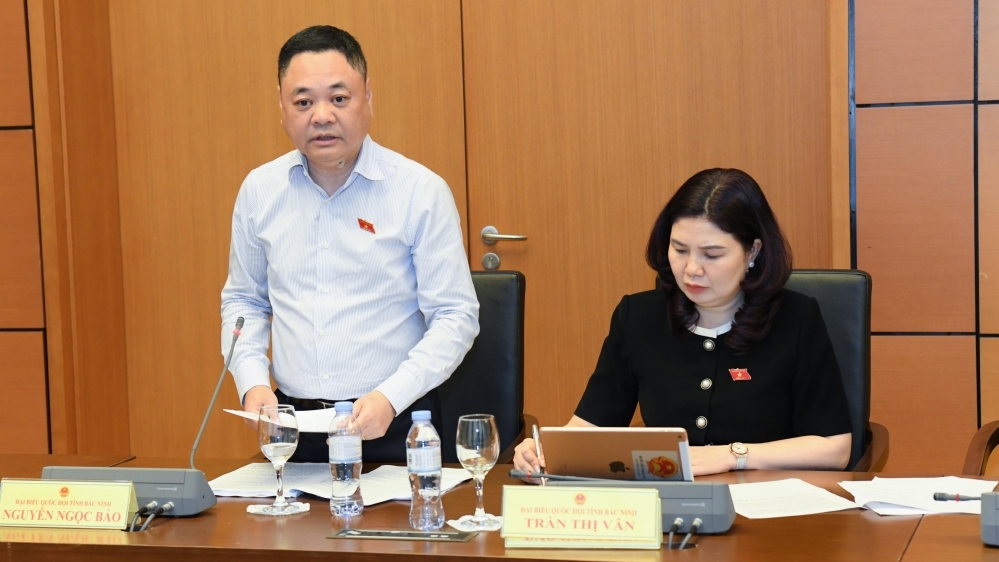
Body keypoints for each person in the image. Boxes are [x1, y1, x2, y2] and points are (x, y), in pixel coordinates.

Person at [221, 25, 479, 462]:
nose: (321, 116)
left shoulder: (419, 191)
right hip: (292, 428)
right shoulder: (259, 191)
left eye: (339, 98)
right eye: (303, 102)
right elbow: (244, 301)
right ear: (282, 108)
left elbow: (456, 316)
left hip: (395, 422)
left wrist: (391, 397)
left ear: (368, 97)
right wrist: (253, 384)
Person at [514, 168, 852, 477]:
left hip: (770, 505)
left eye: (712, 255)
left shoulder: (796, 319)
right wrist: (543, 450)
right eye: (679, 250)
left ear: (752, 252)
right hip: (668, 503)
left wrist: (732, 456)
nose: (691, 269)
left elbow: (834, 448)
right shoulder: (638, 317)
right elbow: (592, 425)